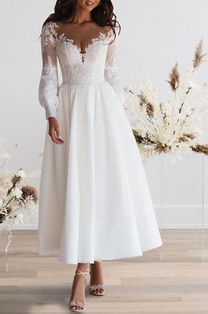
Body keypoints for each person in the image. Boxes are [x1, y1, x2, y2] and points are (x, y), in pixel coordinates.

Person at [38, 0, 163, 312]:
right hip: (69, 114)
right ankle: (94, 262)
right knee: (79, 186)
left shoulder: (107, 30)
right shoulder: (52, 29)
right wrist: (51, 114)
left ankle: (84, 271)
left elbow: (112, 77)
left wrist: (118, 118)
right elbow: (48, 76)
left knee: (98, 187)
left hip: (104, 114)